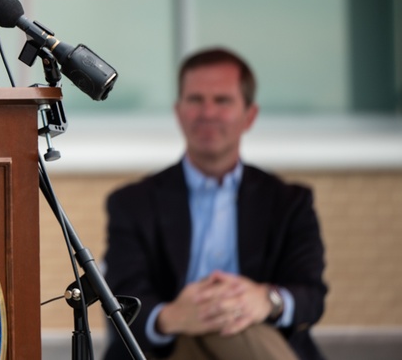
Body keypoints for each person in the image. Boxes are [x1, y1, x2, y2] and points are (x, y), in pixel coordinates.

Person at [102, 47, 327, 360]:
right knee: (221, 324)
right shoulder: (132, 203)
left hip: (258, 335)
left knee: (235, 324)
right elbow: (123, 298)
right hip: (166, 348)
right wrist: (172, 317)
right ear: (179, 112)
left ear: (250, 116)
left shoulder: (289, 202)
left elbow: (311, 295)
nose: (208, 112)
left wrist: (267, 300)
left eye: (222, 100)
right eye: (196, 100)